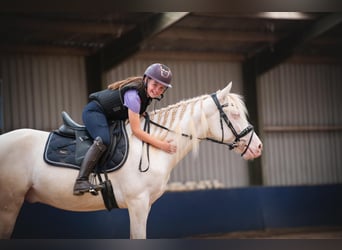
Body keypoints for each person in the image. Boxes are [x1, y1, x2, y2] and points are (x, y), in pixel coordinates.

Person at [73, 63, 177, 195]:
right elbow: (137, 131)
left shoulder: (145, 94)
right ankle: (81, 181)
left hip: (109, 116)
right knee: (104, 140)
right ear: (146, 80)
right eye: (155, 85)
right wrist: (163, 145)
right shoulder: (133, 96)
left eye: (161, 88)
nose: (157, 90)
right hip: (94, 112)